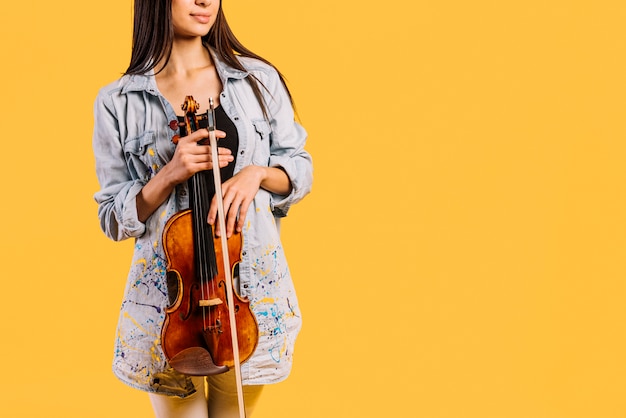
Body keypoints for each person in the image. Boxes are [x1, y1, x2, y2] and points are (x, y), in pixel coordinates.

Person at [92, 0, 312, 416]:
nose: (204, 0)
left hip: (245, 295)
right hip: (170, 307)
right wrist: (168, 174)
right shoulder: (117, 101)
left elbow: (299, 169)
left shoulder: (258, 81)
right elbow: (111, 218)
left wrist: (257, 174)